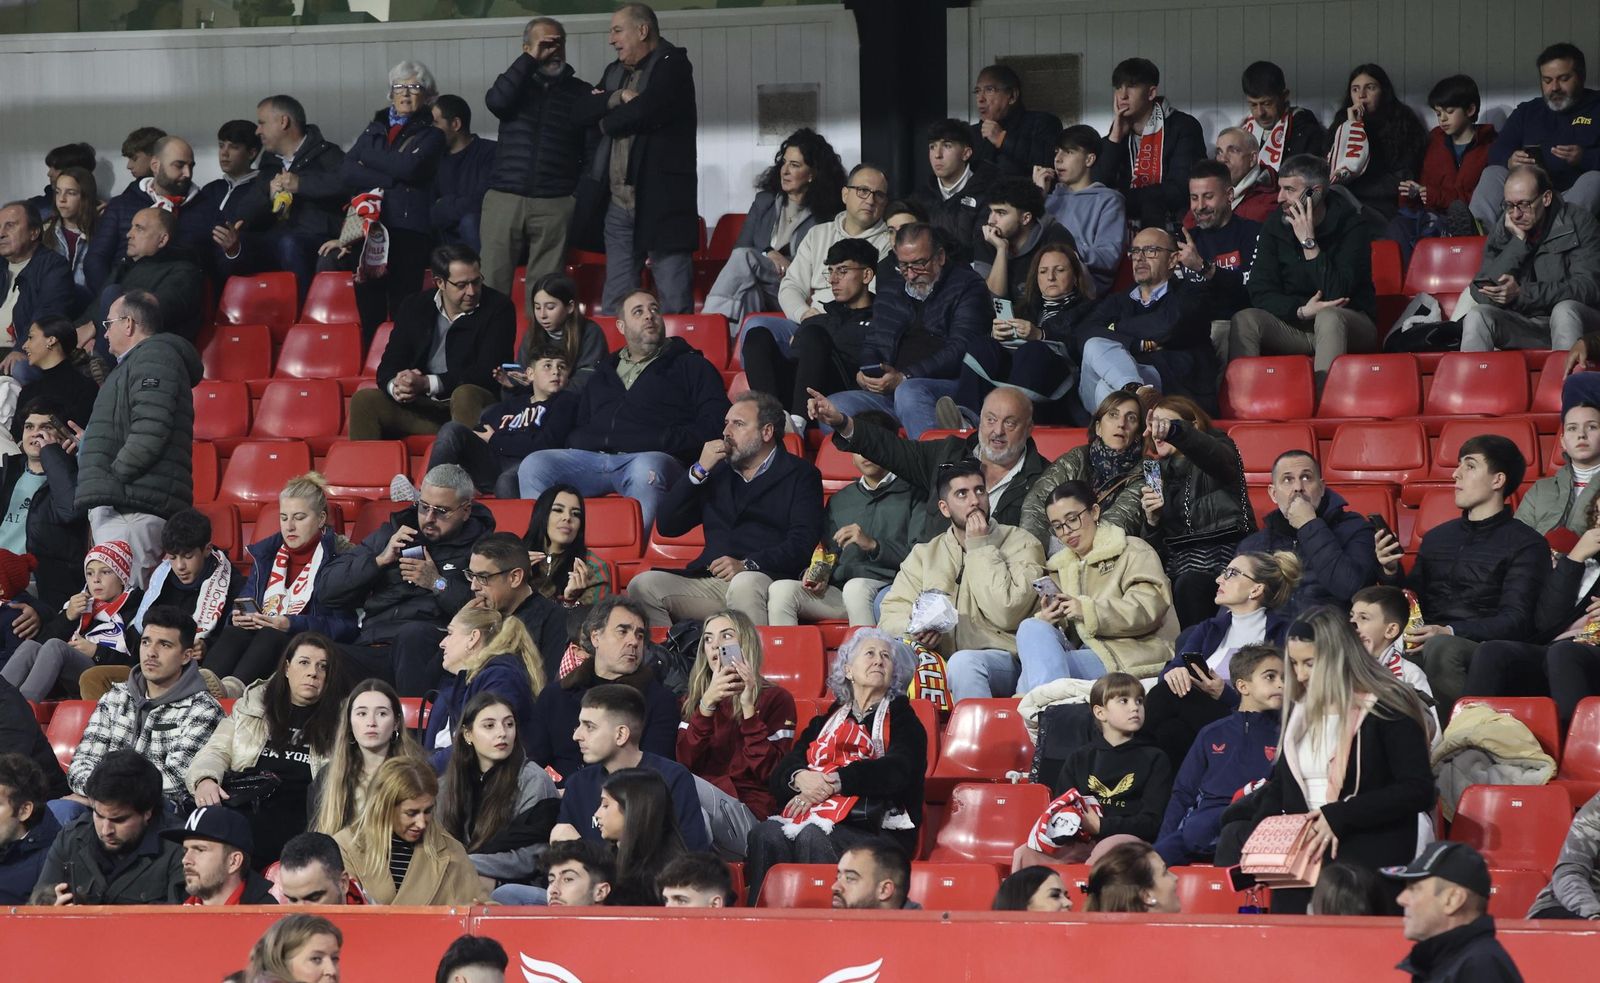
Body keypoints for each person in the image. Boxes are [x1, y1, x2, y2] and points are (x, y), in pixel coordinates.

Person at [1236, 607, 1435, 914]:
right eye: (1294, 663)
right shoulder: (1298, 712)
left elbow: (1417, 789)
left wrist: (1340, 815)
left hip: (1367, 863)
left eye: (1310, 663)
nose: (1299, 675)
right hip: (1301, 865)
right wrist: (1258, 838)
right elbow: (1280, 787)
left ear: (1338, 657)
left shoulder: (1388, 707)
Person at [516, 288, 728, 535]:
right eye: (638, 312)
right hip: (594, 460)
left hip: (652, 457)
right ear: (621, 326)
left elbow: (715, 423)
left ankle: (638, 558)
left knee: (646, 467)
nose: (649, 316)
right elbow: (581, 424)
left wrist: (665, 440)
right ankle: (542, 552)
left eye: (654, 310)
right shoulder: (603, 372)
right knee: (535, 464)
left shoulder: (692, 365)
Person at [742, 628, 926, 905]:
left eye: (886, 656)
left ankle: (824, 928)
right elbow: (782, 773)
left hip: (877, 829)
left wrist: (834, 781)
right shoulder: (823, 723)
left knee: (813, 836)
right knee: (765, 834)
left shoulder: (903, 719)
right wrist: (800, 778)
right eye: (870, 654)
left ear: (893, 675)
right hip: (820, 819)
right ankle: (762, 926)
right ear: (848, 670)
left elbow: (899, 770)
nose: (879, 660)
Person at [1376, 434, 1548, 721]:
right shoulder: (1436, 538)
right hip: (1428, 638)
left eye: (1469, 466)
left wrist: (1449, 630)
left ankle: (1454, 742)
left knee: (1442, 648)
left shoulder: (1527, 544)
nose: (1455, 474)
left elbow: (1516, 620)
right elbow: (1413, 602)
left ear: (1497, 480)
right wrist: (1391, 572)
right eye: (1458, 466)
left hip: (1479, 648)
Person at [629, 391, 824, 626]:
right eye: (726, 423)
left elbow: (801, 545)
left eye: (738, 424)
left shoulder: (801, 474)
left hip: (766, 578)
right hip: (712, 582)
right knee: (643, 586)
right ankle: (673, 660)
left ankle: (753, 661)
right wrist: (699, 470)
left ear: (767, 432)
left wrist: (747, 564)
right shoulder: (716, 471)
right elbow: (669, 525)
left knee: (745, 583)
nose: (726, 432)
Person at [320, 464, 495, 691]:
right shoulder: (393, 533)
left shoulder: (483, 549)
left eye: (441, 511)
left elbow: (484, 611)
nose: (429, 518)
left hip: (430, 650)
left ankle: (411, 725)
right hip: (373, 643)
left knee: (412, 635)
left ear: (466, 510)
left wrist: (437, 583)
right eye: (423, 507)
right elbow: (326, 590)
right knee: (311, 651)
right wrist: (379, 561)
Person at [881, 460, 1044, 701]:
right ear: (945, 508)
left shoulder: (1022, 543)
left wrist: (979, 547)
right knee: (879, 656)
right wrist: (917, 630)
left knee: (964, 663)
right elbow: (889, 615)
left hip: (1006, 659)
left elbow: (1006, 612)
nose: (975, 500)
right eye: (962, 494)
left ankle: (980, 739)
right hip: (940, 659)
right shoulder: (925, 554)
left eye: (980, 490)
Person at [812, 381, 1051, 545]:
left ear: (1029, 429)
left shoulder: (1045, 478)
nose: (997, 431)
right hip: (936, 580)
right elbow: (891, 448)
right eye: (990, 419)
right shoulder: (947, 454)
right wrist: (843, 422)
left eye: (1010, 423)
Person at [186, 633, 349, 868]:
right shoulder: (253, 705)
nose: (313, 672)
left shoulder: (343, 719)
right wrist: (205, 779)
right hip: (249, 808)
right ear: (286, 667)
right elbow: (216, 750)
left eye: (322, 667)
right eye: (304, 663)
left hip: (305, 819)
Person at [74, 288, 201, 587]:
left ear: (128, 324)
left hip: (132, 508)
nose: (105, 335)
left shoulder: (156, 355)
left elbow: (151, 429)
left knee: (123, 606)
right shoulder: (137, 362)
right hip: (126, 504)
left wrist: (113, 477)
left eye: (108, 325)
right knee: (108, 608)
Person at [579, 3, 699, 315]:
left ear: (642, 31)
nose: (611, 39)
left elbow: (650, 108)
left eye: (617, 30)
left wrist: (607, 119)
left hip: (663, 202)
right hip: (618, 203)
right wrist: (615, 98)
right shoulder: (614, 72)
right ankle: (614, 363)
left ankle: (676, 361)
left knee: (673, 297)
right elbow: (580, 111)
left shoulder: (673, 64)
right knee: (616, 300)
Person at [823, 222, 990, 437]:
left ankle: (936, 466)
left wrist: (906, 377)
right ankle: (877, 469)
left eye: (919, 264)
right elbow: (874, 341)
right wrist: (867, 372)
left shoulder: (967, 286)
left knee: (909, 392)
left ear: (940, 257)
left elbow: (961, 348)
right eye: (904, 266)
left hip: (946, 387)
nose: (911, 275)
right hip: (893, 391)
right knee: (833, 407)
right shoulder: (892, 287)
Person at [1228, 153, 1377, 392]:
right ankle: (1243, 402)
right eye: (1280, 189)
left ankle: (1324, 406)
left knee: (1329, 316)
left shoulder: (1352, 226)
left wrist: (1310, 244)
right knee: (1245, 319)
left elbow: (1338, 292)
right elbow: (1259, 290)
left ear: (1315, 192)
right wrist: (1300, 311)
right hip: (1297, 323)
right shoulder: (1275, 225)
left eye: (1289, 189)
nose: (1279, 198)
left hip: (1350, 324)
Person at [1144, 551, 1300, 767]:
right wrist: (1175, 672)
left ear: (1256, 588)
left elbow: (1284, 701)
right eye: (1224, 572)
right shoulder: (1209, 628)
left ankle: (1125, 762)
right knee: (1171, 731)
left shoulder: (1283, 634)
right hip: (1203, 722)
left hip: (1251, 723)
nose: (1219, 579)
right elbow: (1172, 670)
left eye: (1232, 573)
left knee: (1164, 697)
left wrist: (1224, 694)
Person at [1016, 479, 1174, 689]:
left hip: (1129, 653)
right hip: (1083, 653)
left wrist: (1088, 610)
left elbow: (1148, 609)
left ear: (1095, 512)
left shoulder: (1132, 550)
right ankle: (1049, 711)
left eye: (1072, 519)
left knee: (1039, 670)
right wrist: (1053, 619)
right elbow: (1070, 636)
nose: (1067, 531)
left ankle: (1047, 713)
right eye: (1057, 527)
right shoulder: (1059, 569)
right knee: (1032, 627)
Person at [1463, 493, 1600, 729]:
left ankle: (1575, 751)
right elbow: (1547, 622)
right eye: (1598, 514)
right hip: (1556, 650)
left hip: (1581, 653)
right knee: (1493, 651)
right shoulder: (1584, 564)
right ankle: (1465, 737)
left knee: (1565, 653)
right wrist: (1575, 558)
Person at [206, 474, 358, 688]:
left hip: (306, 646)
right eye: (284, 518)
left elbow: (347, 627)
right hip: (263, 640)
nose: (290, 527)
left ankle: (232, 690)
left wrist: (291, 623)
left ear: (321, 519)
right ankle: (200, 688)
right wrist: (238, 617)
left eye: (299, 517)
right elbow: (244, 602)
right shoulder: (266, 556)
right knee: (234, 632)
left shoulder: (338, 561)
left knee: (272, 634)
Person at [349, 243, 512, 441]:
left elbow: (487, 371)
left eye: (476, 282)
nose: (471, 291)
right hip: (424, 408)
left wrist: (428, 383)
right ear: (440, 283)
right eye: (461, 285)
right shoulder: (414, 306)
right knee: (364, 400)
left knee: (465, 393)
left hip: (473, 404)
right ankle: (365, 471)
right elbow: (390, 363)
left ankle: (466, 469)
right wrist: (398, 385)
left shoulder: (498, 308)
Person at [767, 411, 915, 626]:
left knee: (856, 588)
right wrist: (821, 572)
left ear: (891, 444)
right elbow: (830, 553)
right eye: (857, 445)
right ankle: (786, 659)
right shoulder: (841, 499)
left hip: (890, 589)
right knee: (780, 590)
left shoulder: (915, 493)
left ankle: (868, 657)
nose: (865, 453)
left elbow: (923, 555)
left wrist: (873, 545)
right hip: (844, 590)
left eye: (872, 443)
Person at [332, 61, 446, 341]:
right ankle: (372, 359)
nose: (405, 93)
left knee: (403, 303)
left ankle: (401, 364)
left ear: (427, 95)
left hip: (408, 228)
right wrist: (391, 178)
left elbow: (411, 168)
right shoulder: (375, 128)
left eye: (414, 87)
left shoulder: (432, 134)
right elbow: (346, 170)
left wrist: (369, 160)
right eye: (399, 87)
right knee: (368, 300)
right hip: (369, 227)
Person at [480, 16, 591, 304]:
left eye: (557, 43)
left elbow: (592, 150)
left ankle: (541, 350)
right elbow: (496, 102)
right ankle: (489, 348)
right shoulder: (515, 87)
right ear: (526, 48)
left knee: (547, 295)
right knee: (491, 285)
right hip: (505, 197)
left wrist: (574, 196)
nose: (552, 50)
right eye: (543, 44)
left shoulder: (581, 91)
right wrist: (529, 60)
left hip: (555, 201)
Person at [67, 607, 223, 806]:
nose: (151, 653)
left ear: (186, 656)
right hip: (101, 804)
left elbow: (176, 781)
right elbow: (81, 764)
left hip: (158, 814)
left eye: (165, 645)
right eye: (146, 642)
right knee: (62, 810)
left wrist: (105, 799)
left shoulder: (204, 710)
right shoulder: (115, 697)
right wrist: (104, 800)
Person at [755, 163, 893, 376]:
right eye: (863, 191)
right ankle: (768, 406)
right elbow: (791, 285)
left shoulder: (888, 244)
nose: (871, 199)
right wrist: (804, 314)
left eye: (879, 195)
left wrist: (818, 323)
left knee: (811, 340)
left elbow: (867, 298)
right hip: (808, 318)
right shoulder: (818, 234)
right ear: (845, 194)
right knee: (756, 330)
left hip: (851, 328)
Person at [1153, 644, 1283, 865]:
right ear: (1242, 686)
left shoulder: (1285, 733)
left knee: (1216, 832)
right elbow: (1183, 793)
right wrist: (1161, 842)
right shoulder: (1211, 733)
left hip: (1251, 821)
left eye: (1284, 678)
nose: (1281, 684)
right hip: (1205, 823)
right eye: (1270, 677)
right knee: (1151, 860)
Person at [525, 597, 679, 780]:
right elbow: (531, 763)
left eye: (639, 635)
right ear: (595, 637)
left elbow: (654, 774)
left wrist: (578, 793)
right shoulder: (555, 695)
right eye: (622, 631)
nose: (634, 642)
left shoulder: (659, 701)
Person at [549, 685, 710, 858]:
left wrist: (583, 851)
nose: (577, 736)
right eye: (579, 725)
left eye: (589, 727)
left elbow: (691, 860)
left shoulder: (672, 778)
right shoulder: (578, 784)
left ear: (621, 734)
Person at [705, 128, 847, 323]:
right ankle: (726, 345)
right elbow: (741, 247)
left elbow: (821, 266)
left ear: (812, 174)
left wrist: (790, 265)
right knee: (748, 290)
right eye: (784, 163)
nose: (785, 171)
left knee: (745, 266)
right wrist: (768, 252)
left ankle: (709, 323)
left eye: (795, 165)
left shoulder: (827, 215)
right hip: (764, 289)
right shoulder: (764, 202)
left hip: (797, 291)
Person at [1074, 228, 1220, 416]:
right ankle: (1136, 391)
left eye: (1151, 250)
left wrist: (1116, 328)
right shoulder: (1119, 300)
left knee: (1107, 389)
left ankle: (1130, 402)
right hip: (1136, 389)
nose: (1140, 258)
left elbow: (1168, 325)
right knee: (1093, 344)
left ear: (1173, 259)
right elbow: (1084, 332)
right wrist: (1136, 344)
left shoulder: (1192, 293)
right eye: (1135, 251)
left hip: (1175, 388)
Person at [1460, 165, 1600, 352]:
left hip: (1579, 323)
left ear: (1546, 198)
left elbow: (1588, 288)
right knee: (1478, 316)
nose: (1516, 214)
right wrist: (1518, 242)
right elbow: (1480, 290)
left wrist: (1523, 294)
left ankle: (1562, 380)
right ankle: (1472, 381)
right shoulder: (1506, 227)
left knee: (1564, 311)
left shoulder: (1579, 222)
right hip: (1527, 323)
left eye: (1524, 204)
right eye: (1509, 205)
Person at [1138, 397, 1252, 625]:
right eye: (1154, 425)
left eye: (1165, 423)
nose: (1157, 431)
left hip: (1224, 558)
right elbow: (1154, 551)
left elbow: (1214, 456)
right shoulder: (1156, 473)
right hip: (1177, 567)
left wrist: (1176, 432)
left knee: (1190, 584)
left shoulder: (1220, 446)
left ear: (1194, 426)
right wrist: (1152, 522)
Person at [678, 609, 798, 824]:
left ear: (745, 644)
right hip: (699, 804)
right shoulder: (693, 700)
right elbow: (684, 762)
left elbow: (772, 774)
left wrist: (749, 710)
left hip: (749, 809)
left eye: (726, 636)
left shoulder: (776, 698)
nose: (715, 645)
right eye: (708, 639)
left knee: (681, 793)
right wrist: (706, 706)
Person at [957, 242, 1097, 424]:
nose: (1051, 277)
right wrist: (998, 334)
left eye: (1059, 270)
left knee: (1032, 351)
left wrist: (1040, 335)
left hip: (1060, 386)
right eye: (1043, 271)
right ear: (1036, 278)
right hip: (1014, 376)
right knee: (983, 345)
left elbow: (1084, 346)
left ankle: (1014, 418)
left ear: (1076, 277)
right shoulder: (1024, 310)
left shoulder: (1091, 310)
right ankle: (967, 418)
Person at [436, 693, 559, 895]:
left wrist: (464, 862)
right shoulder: (448, 784)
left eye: (509, 724)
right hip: (459, 873)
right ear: (467, 734)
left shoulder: (533, 779)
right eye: (489, 726)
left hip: (519, 885)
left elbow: (534, 856)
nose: (502, 733)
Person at [30, 749, 185, 905]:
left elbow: (181, 924)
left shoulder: (181, 849)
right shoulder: (71, 838)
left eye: (118, 820)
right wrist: (52, 913)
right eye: (98, 815)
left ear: (147, 812)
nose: (105, 831)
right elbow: (34, 910)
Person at [423, 343, 578, 498]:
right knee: (452, 430)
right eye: (547, 366)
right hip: (492, 464)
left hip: (528, 466)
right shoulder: (511, 405)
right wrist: (496, 441)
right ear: (530, 374)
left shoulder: (565, 402)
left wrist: (496, 440)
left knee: (505, 482)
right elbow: (480, 433)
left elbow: (545, 444)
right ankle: (426, 495)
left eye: (562, 367)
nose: (555, 372)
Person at [1472, 42, 1600, 228]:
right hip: (1526, 199)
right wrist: (1510, 160)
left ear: (1581, 77)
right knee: (1493, 172)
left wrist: (1585, 158)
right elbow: (1497, 150)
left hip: (1569, 199)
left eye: (1563, 78)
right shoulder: (1528, 111)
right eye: (1547, 80)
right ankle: (1478, 232)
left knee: (1594, 181)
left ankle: (1555, 235)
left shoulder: (1596, 107)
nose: (1554, 87)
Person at [1236, 449, 1378, 614]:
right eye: (1288, 479)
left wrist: (1309, 524)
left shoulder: (1356, 529)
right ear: (1273, 494)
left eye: (1306, 477)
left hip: (1329, 634)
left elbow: (1348, 589)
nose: (1298, 487)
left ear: (1322, 487)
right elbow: (1232, 605)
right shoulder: (1252, 545)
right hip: (1267, 636)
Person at [333, 755, 484, 904]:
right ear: (384, 808)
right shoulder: (345, 847)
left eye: (427, 811)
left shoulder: (452, 852)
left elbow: (483, 909)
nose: (421, 823)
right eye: (411, 813)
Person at [2, 541, 140, 701]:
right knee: (30, 646)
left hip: (104, 676)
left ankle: (23, 708)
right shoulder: (80, 603)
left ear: (122, 577)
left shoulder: (136, 611)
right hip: (67, 676)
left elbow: (137, 663)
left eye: (106, 572)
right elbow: (41, 645)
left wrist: (96, 652)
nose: (96, 579)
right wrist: (68, 616)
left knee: (56, 646)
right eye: (89, 573)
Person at [1050, 672, 1173, 846]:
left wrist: (1102, 826)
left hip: (1129, 844)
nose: (1135, 707)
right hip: (1081, 838)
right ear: (1100, 712)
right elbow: (1062, 808)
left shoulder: (1155, 758)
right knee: (1025, 853)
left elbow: (1152, 822)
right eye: (1124, 700)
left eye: (1139, 700)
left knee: (1106, 848)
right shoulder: (1080, 758)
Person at [248, 95, 348, 299]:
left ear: (283, 122)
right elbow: (246, 210)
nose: (257, 131)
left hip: (318, 236)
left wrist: (301, 184)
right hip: (278, 235)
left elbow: (347, 185)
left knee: (289, 243)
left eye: (262, 123)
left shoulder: (328, 154)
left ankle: (302, 313)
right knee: (237, 247)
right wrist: (268, 194)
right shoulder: (268, 164)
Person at [83, 137, 207, 299]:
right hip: (116, 298)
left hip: (173, 303)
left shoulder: (205, 208)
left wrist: (233, 251)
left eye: (191, 166)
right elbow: (95, 259)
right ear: (155, 165)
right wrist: (113, 300)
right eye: (179, 166)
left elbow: (217, 267)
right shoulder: (121, 205)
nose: (187, 173)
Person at [1019, 391, 1149, 545]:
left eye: (1131, 418)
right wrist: (1033, 555)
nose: (1121, 424)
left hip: (1107, 556)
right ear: (1099, 428)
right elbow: (1036, 504)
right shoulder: (1078, 457)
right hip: (1054, 548)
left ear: (1138, 434)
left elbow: (1116, 524)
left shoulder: (1144, 473)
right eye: (1113, 415)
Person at [421, 604, 546, 761]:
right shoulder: (463, 684)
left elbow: (484, 745)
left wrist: (425, 771)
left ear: (473, 638)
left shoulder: (501, 679)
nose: (442, 643)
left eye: (450, 633)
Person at [1092, 57, 1206, 230]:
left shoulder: (1182, 126)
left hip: (1172, 226)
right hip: (1120, 231)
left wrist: (1117, 199)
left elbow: (1180, 190)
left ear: (1151, 93)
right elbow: (1096, 186)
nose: (1122, 95)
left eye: (1131, 86)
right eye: (1118, 87)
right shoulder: (1116, 134)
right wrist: (1114, 138)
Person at [1388, 841, 1526, 981]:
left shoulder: (1479, 968)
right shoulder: (1445, 962)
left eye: (1414, 889)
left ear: (1452, 900)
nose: (1400, 899)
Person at [0, 400, 87, 608]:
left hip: (33, 584)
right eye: (29, 427)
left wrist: (54, 456)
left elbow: (70, 510)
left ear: (64, 435)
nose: (35, 433)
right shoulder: (7, 472)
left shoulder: (74, 477)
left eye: (46, 427)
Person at [309, 680, 425, 835]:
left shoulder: (417, 776)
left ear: (396, 722)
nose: (371, 723)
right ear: (349, 722)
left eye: (382, 714)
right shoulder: (326, 778)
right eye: (362, 714)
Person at [1329, 64, 1429, 223]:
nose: (1361, 95)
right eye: (1355, 89)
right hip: (1344, 200)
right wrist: (1351, 128)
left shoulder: (1402, 121)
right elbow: (1330, 170)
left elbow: (1402, 179)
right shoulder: (1342, 122)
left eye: (1370, 88)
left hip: (1385, 205)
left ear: (1383, 91)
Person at [1035, 124, 1127, 292]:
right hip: (1041, 283)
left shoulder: (1108, 200)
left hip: (1083, 287)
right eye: (1057, 152)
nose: (1058, 159)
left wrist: (1065, 253)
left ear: (1089, 159)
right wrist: (1036, 198)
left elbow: (1108, 257)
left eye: (1068, 152)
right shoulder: (1047, 199)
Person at [96, 206, 206, 342]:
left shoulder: (185, 273)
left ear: (162, 240)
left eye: (139, 228)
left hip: (148, 349)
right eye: (131, 227)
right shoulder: (125, 265)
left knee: (113, 293)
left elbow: (153, 313)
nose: (129, 234)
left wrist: (95, 326)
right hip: (109, 336)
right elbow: (95, 306)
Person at [1176, 159, 1261, 334]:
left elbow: (1251, 292)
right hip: (1189, 328)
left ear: (1229, 195)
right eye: (1194, 198)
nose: (1199, 207)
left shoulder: (1253, 233)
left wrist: (1203, 268)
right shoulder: (1184, 240)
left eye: (1208, 197)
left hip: (1233, 325)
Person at [1349, 586, 1442, 738]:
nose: (1353, 624)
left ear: (1391, 630)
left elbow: (1433, 734)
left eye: (1363, 618)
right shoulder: (1337, 667)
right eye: (1351, 617)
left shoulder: (1410, 674)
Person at [1412, 75, 1497, 235]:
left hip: (1474, 222)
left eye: (1449, 112)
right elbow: (1425, 188)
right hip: (1433, 218)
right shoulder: (1434, 143)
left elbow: (1483, 200)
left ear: (1470, 110)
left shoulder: (1490, 146)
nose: (1442, 119)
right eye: (1438, 113)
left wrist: (1436, 196)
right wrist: (1411, 193)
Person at [592, 767, 688, 906]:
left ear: (633, 810)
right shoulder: (607, 861)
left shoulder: (671, 875)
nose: (597, 814)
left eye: (605, 805)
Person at [973, 178, 1074, 305]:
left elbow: (1067, 296)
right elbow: (992, 301)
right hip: (1001, 321)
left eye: (1001, 213)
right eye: (991, 211)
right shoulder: (988, 238)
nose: (991, 221)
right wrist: (1001, 250)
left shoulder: (1055, 238)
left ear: (1025, 218)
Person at [911, 119, 995, 264]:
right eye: (932, 147)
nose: (937, 154)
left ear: (966, 153)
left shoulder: (990, 194)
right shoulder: (919, 198)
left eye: (947, 146)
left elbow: (984, 256)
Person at [0, 201, 74, 366]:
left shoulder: (54, 266)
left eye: (10, 226)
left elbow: (48, 314)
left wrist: (20, 348)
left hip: (18, 352)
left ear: (33, 232)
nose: (1, 233)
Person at [191, 120, 263, 280]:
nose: (224, 153)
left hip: (241, 267)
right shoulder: (210, 189)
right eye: (221, 145)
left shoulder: (261, 189)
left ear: (252, 153)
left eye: (234, 147)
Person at [521, 487, 613, 613]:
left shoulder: (594, 567)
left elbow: (592, 627)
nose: (567, 518)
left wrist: (570, 601)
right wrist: (515, 582)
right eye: (558, 510)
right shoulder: (512, 557)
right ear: (542, 515)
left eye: (575, 514)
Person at [511, 273, 608, 391]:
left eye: (550, 307)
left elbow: (586, 380)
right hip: (535, 401)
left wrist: (544, 389)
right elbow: (522, 372)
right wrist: (511, 384)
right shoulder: (532, 334)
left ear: (570, 307)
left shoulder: (590, 333)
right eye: (537, 307)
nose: (542, 315)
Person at [1517, 401, 1600, 536]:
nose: (1581, 435)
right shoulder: (1540, 489)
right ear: (1563, 442)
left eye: (1592, 427)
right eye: (1572, 428)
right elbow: (1517, 540)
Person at [168, 805, 278, 905]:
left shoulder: (270, 920)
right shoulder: (171, 911)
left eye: (200, 850)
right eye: (185, 851)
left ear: (234, 862)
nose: (186, 860)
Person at [969, 64, 1062, 179]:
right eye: (977, 91)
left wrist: (1002, 139)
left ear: (1012, 96)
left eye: (989, 90)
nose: (980, 99)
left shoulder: (1043, 123)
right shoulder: (971, 133)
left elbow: (1051, 162)